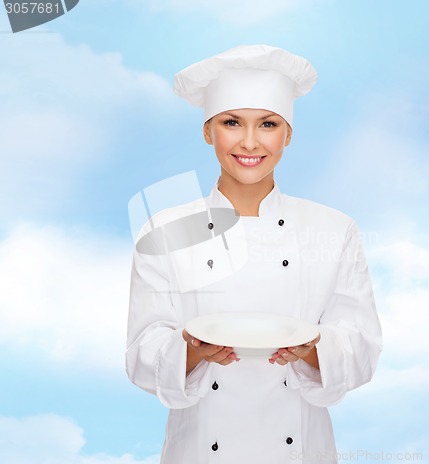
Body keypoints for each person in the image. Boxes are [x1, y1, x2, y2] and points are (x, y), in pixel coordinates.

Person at [126, 44, 382, 464]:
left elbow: (362, 349)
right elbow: (140, 354)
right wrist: (193, 350)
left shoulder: (333, 231)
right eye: (231, 122)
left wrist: (312, 349)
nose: (249, 141)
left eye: (267, 124)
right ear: (208, 131)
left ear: (288, 134)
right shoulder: (164, 231)